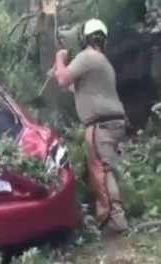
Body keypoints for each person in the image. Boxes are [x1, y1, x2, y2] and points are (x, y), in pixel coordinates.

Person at [51, 18, 129, 236]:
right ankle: (112, 217)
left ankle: (116, 220)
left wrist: (59, 59)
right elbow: (77, 88)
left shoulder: (86, 57)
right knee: (105, 168)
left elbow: (64, 79)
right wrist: (60, 72)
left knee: (103, 171)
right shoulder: (102, 62)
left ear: (84, 38)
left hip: (100, 125)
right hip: (113, 122)